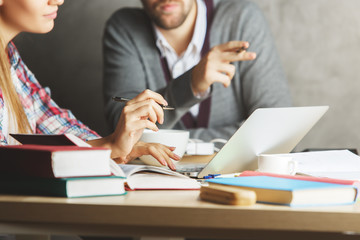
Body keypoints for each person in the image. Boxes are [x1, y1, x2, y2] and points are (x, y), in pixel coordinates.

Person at [0, 0, 180, 170]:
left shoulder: (10, 58)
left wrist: (111, 146)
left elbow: (56, 127)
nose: (58, 1)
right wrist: (108, 147)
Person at [103, 0, 292, 142]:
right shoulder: (124, 29)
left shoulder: (241, 18)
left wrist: (176, 140)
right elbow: (123, 130)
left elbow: (277, 126)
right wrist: (192, 84)